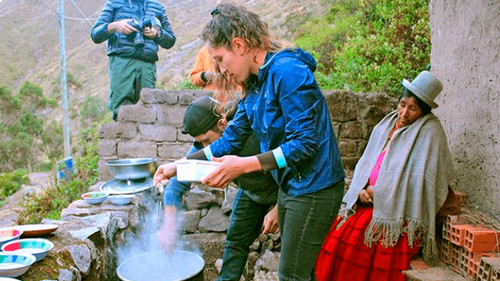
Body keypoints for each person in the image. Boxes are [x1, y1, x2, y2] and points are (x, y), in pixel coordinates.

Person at [154, 3, 345, 280]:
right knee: (299, 274)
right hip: (292, 186)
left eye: (220, 59)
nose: (220, 69)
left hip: (316, 186)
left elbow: (305, 144)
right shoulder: (255, 87)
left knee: (292, 276)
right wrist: (178, 166)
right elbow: (228, 141)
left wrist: (244, 165)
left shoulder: (287, 72)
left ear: (240, 45)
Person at [315, 70, 454, 281]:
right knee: (337, 237)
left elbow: (421, 182)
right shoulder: (387, 123)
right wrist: (361, 190)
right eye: (402, 104)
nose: (404, 113)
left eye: (413, 108)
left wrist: (381, 192)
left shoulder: (430, 133)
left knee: (365, 244)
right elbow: (366, 163)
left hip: (397, 211)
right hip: (366, 201)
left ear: (424, 112)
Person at [157, 96, 279, 281]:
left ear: (222, 124)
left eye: (208, 140)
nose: (207, 148)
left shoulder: (254, 130)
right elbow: (177, 180)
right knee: (235, 242)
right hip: (251, 192)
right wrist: (169, 224)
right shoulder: (207, 145)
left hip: (285, 192)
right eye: (201, 143)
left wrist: (279, 207)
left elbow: (294, 172)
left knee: (295, 257)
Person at [90, 0, 176, 121]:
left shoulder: (157, 8)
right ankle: (122, 138)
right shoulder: (114, 3)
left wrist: (157, 34)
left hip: (147, 64)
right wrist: (115, 26)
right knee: (121, 109)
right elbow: (95, 35)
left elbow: (170, 40)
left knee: (148, 107)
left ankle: (146, 138)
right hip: (122, 61)